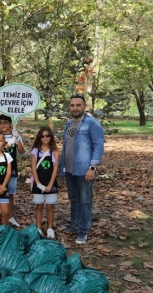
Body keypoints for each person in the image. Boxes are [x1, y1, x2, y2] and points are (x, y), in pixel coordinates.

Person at [59, 94, 104, 244]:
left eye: (78, 105)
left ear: (84, 107)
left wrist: (92, 167)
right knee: (73, 198)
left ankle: (83, 230)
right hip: (70, 169)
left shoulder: (92, 123)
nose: (75, 108)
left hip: (85, 169)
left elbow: (98, 146)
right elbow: (66, 147)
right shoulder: (69, 123)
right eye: (72, 105)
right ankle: (74, 224)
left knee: (85, 200)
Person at [30, 126, 60, 239]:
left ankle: (50, 228)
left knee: (50, 206)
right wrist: (38, 184)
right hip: (39, 183)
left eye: (47, 135)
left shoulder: (55, 151)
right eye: (42, 136)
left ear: (51, 136)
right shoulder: (35, 151)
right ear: (39, 137)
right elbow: (33, 168)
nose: (45, 138)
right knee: (39, 206)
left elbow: (55, 168)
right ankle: (38, 228)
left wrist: (50, 185)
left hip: (50, 183)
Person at [0, 114, 24, 227]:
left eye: (5, 122)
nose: (3, 125)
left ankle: (11, 216)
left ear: (10, 124)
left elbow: (21, 151)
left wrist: (17, 139)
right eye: (0, 123)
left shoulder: (16, 135)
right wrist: (10, 142)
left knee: (10, 194)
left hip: (12, 168)